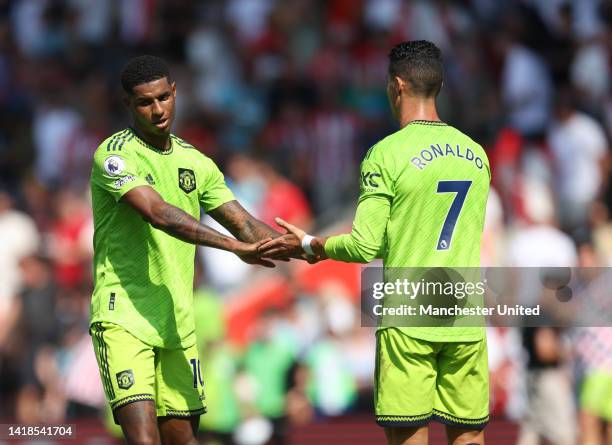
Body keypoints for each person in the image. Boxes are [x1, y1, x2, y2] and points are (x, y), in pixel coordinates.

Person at [260, 41, 491, 445]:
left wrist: (315, 245)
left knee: (408, 435)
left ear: (396, 86)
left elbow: (366, 245)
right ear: (439, 85)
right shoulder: (476, 154)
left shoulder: (385, 154)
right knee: (469, 438)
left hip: (409, 314)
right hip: (464, 309)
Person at [89, 55, 282, 445]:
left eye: (163, 97)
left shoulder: (196, 161)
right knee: (144, 441)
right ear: (128, 103)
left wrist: (311, 245)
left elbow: (245, 225)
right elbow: (159, 213)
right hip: (124, 317)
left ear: (176, 93)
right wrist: (232, 247)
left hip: (176, 321)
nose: (158, 109)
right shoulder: (114, 155)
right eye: (145, 102)